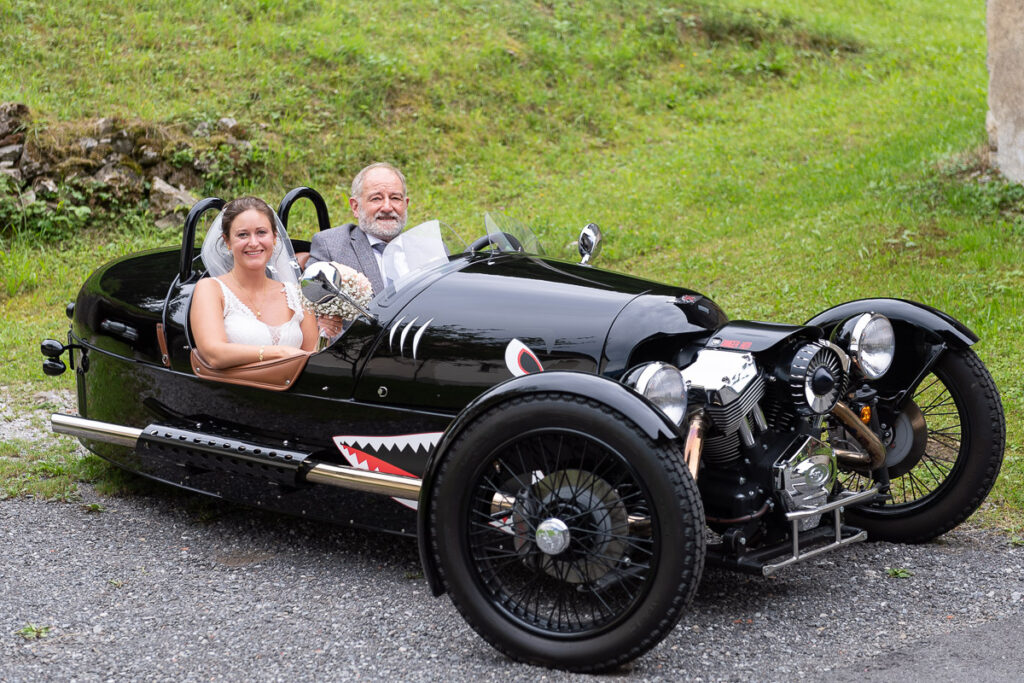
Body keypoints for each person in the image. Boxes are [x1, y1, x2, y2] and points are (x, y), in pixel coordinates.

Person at [190, 197, 318, 369]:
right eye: (243, 234)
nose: (253, 243)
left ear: (274, 237)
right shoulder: (211, 289)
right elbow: (213, 354)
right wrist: (279, 353)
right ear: (227, 241)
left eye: (261, 232)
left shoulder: (297, 294)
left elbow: (313, 359)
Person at [307, 161, 410, 336]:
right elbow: (314, 318)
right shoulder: (331, 247)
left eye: (395, 198)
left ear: (405, 204)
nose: (387, 207)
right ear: (356, 207)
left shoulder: (428, 249)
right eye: (376, 198)